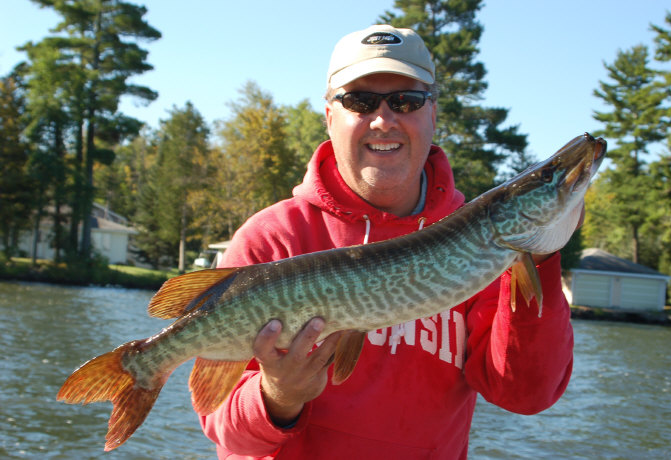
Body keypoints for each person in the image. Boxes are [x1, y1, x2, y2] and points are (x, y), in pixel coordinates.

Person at [199, 24, 574, 459]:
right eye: (359, 101)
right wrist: (278, 397)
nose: (383, 120)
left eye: (405, 101)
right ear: (330, 116)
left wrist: (542, 254)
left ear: (432, 114)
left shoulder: (479, 244)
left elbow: (526, 393)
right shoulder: (270, 239)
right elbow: (224, 429)